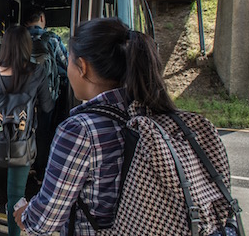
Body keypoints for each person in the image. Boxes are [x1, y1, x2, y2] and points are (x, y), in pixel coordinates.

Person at [14, 18, 177, 235]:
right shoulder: (153, 114)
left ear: (82, 67)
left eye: (69, 62)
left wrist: (25, 214)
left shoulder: (80, 131)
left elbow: (45, 221)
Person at [0, 25, 53, 236]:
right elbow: (48, 108)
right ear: (26, 46)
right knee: (15, 195)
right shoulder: (38, 71)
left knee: (8, 189)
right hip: (22, 144)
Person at [23, 8, 69, 185]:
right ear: (41, 18)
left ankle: (21, 167)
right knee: (43, 134)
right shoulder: (52, 39)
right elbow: (66, 64)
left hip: (21, 98)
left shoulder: (15, 40)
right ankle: (41, 173)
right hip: (46, 98)